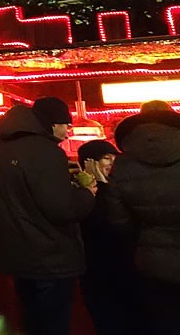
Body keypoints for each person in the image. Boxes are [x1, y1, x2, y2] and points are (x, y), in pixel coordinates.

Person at [0, 98, 95, 335]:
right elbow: (61, 208)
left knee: (31, 322)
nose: (68, 130)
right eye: (65, 124)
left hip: (17, 256)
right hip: (50, 257)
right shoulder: (45, 151)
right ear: (52, 124)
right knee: (54, 324)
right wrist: (88, 194)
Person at [105, 102, 180, 332]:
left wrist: (143, 234)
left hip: (152, 260)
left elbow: (118, 220)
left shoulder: (124, 163)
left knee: (163, 320)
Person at [72, 139, 136, 335]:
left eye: (114, 158)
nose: (111, 163)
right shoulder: (79, 191)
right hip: (95, 265)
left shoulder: (120, 186)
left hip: (122, 264)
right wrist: (99, 185)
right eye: (106, 158)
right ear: (89, 162)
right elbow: (99, 221)